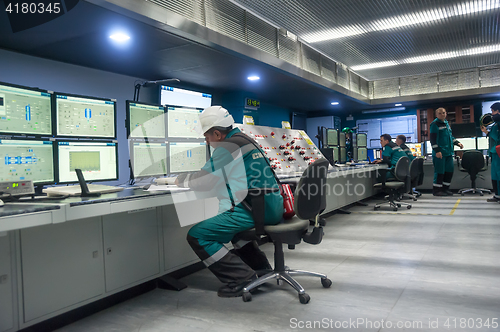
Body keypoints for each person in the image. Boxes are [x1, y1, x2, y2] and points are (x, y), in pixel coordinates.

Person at [175, 106, 283, 297]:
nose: (206, 140)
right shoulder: (245, 139)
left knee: (198, 235)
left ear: (217, 133)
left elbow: (203, 180)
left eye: (207, 136)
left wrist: (178, 179)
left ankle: (242, 278)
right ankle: (261, 269)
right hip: (270, 205)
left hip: (255, 209)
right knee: (236, 233)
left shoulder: (228, 146)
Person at [429, 107, 463, 196]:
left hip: (448, 152)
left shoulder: (446, 124)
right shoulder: (435, 124)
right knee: (440, 172)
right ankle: (437, 190)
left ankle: (445, 189)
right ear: (436, 115)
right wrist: (437, 151)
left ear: (446, 113)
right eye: (440, 113)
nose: (442, 114)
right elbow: (433, 139)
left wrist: (457, 143)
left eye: (443, 113)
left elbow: (450, 137)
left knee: (449, 171)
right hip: (440, 153)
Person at [480, 102, 500, 202]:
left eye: (493, 111)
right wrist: (486, 132)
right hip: (494, 153)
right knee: (495, 175)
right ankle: (497, 195)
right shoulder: (495, 125)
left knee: (499, 174)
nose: (491, 114)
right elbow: (494, 138)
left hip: (499, 153)